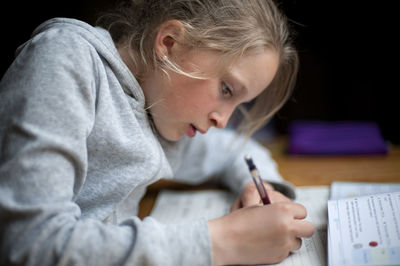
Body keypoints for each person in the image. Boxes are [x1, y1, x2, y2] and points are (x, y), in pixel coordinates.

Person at [0, 0, 314, 265]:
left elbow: (235, 151)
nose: (223, 120)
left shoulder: (160, 111)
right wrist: (221, 241)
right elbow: (30, 243)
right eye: (227, 89)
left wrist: (263, 187)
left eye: (240, 103)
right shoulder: (63, 58)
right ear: (169, 43)